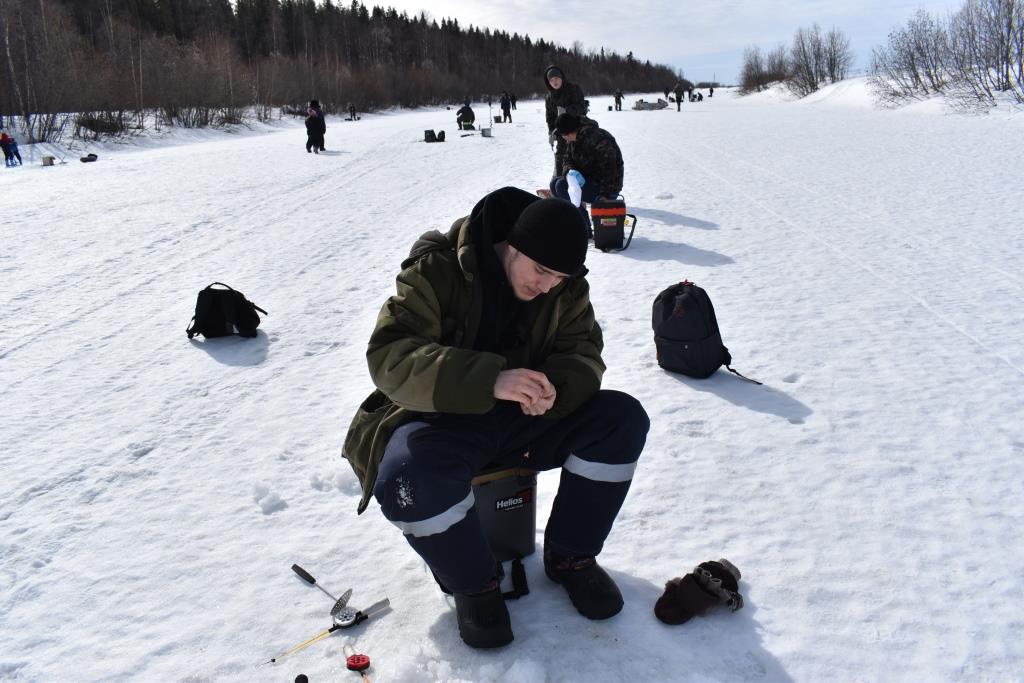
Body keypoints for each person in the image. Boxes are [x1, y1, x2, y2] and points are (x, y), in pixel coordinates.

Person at [342, 187, 649, 649]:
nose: (547, 285)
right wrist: (489, 380)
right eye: (540, 270)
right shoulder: (439, 269)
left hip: (527, 419)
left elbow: (585, 354)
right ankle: (476, 584)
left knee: (621, 420)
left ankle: (571, 558)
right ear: (511, 245)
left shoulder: (564, 286)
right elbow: (390, 356)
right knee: (406, 479)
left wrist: (554, 387)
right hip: (444, 417)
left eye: (559, 277)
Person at [549, 113, 624, 234]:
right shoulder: (574, 139)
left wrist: (606, 194)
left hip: (607, 188)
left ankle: (583, 228)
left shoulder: (598, 138)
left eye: (563, 135)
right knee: (555, 184)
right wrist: (570, 172)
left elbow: (611, 169)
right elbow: (567, 160)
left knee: (561, 186)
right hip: (589, 180)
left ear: (568, 133)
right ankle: (580, 223)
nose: (564, 139)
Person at [544, 65, 589, 180]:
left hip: (578, 129)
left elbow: (582, 107)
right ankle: (559, 183)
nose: (555, 82)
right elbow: (550, 117)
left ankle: (583, 185)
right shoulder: (549, 97)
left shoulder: (573, 89)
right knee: (560, 157)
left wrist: (567, 111)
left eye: (557, 78)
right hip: (562, 133)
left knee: (579, 158)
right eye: (551, 80)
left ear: (562, 78)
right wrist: (552, 131)